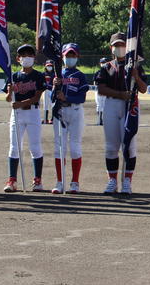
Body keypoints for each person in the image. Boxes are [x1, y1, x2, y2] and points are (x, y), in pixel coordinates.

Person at [95, 32, 147, 195]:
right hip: (112, 104)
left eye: (122, 45)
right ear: (111, 48)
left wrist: (136, 77)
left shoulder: (136, 66)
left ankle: (127, 181)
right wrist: (120, 94)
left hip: (129, 106)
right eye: (116, 45)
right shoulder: (106, 67)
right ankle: (112, 180)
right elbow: (101, 89)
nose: (119, 48)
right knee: (111, 146)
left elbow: (144, 89)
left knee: (129, 145)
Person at [4, 44, 47, 193]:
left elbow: (36, 97)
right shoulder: (14, 76)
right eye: (23, 55)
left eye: (29, 54)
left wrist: (20, 103)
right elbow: (8, 99)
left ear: (34, 57)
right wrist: (9, 92)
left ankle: (37, 181)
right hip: (17, 114)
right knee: (14, 147)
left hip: (32, 112)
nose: (26, 57)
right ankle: (12, 180)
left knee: (35, 147)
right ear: (18, 59)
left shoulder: (38, 76)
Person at [51, 44, 89, 194]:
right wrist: (55, 87)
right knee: (59, 147)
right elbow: (52, 97)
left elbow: (82, 97)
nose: (70, 58)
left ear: (77, 57)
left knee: (75, 147)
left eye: (73, 55)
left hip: (75, 110)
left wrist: (66, 96)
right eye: (67, 55)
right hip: (60, 111)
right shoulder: (58, 74)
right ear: (63, 56)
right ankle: (60, 182)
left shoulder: (80, 75)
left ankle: (75, 182)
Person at [94, 58, 108, 126]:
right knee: (99, 105)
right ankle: (100, 119)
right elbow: (94, 82)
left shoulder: (109, 72)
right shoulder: (98, 72)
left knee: (105, 105)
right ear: (100, 63)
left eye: (104, 62)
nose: (103, 64)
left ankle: (104, 119)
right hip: (98, 90)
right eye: (102, 62)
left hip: (106, 91)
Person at [42, 59, 55, 124]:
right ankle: (45, 119)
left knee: (53, 104)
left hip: (52, 90)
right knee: (45, 105)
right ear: (45, 66)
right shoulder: (43, 74)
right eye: (48, 65)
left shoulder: (55, 74)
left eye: (50, 66)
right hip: (45, 91)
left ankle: (53, 119)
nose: (49, 67)